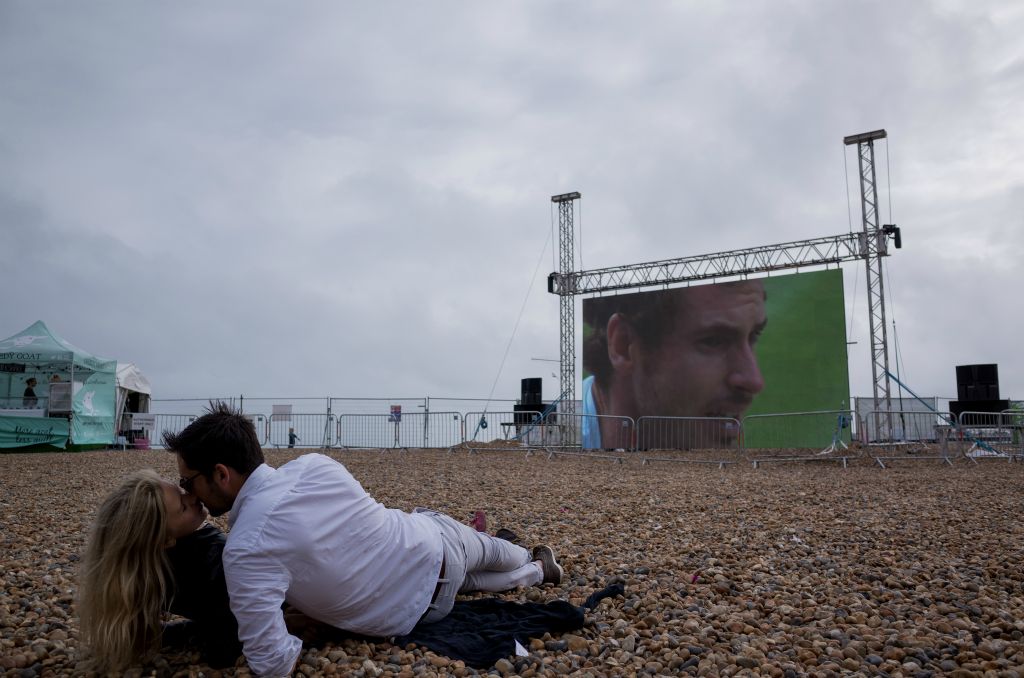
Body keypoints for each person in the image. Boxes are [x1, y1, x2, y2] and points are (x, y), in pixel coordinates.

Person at [164, 402, 565, 678]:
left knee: (470, 582)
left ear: (221, 474)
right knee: (492, 550)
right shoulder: (316, 466)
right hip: (434, 547)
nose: (189, 492)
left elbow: (272, 664)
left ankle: (535, 571)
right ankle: (532, 561)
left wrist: (306, 624)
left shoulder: (246, 549)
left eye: (189, 481)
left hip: (413, 614)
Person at [77, 469, 242, 673]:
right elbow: (226, 649)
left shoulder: (149, 570)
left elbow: (226, 642)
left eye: (181, 491)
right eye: (183, 507)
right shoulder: (203, 562)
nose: (193, 497)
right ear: (164, 540)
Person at [581, 279, 767, 450]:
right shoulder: (560, 446)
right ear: (623, 344)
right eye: (714, 341)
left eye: (754, 336)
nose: (754, 380)